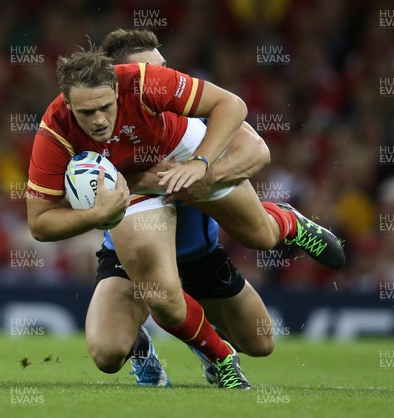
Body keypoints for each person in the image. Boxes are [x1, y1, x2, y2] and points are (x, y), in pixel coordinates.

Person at [26, 43, 344, 389]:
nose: (99, 120)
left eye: (105, 107)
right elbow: (40, 224)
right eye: (87, 113)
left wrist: (201, 165)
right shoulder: (55, 131)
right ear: (68, 104)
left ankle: (285, 221)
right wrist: (98, 213)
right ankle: (221, 359)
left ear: (118, 87)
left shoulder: (147, 83)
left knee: (261, 297)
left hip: (180, 160)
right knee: (134, 325)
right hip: (135, 194)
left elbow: (238, 115)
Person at [84, 29, 275, 388]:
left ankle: (283, 219)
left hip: (199, 256)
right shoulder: (98, 128)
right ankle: (145, 351)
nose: (164, 80)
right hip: (133, 263)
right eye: (149, 73)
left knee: (261, 343)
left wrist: (203, 172)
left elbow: (258, 152)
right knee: (107, 353)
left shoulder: (195, 112)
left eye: (164, 69)